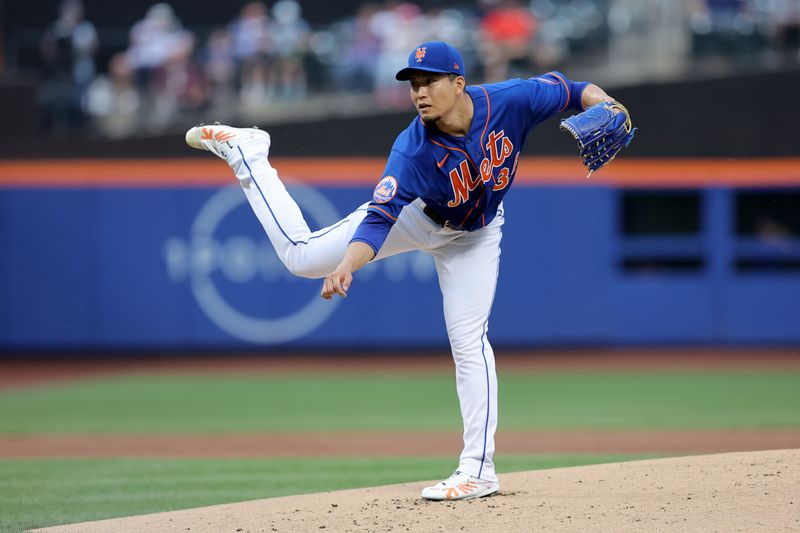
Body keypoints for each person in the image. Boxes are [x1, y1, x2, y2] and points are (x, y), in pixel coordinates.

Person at [186, 41, 631, 500]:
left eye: (429, 81)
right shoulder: (412, 148)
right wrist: (347, 265)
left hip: (477, 234)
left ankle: (478, 470)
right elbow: (381, 217)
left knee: (468, 340)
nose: (419, 93)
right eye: (414, 84)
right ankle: (249, 154)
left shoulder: (511, 99)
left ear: (459, 83)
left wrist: (609, 104)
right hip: (418, 217)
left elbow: (575, 90)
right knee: (301, 257)